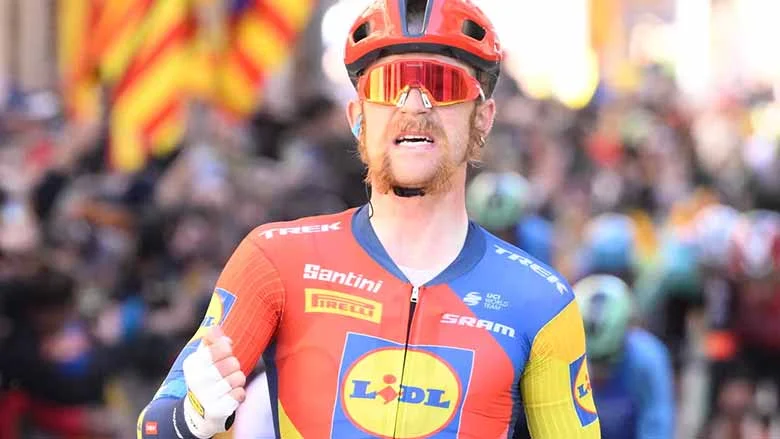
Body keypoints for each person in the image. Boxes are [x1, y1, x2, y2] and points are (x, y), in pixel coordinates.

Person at [137, 1, 600, 438]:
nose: (414, 105)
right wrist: (191, 418)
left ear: (482, 118)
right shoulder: (274, 260)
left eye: (442, 85)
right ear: (357, 116)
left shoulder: (541, 301)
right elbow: (153, 426)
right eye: (388, 84)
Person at [573, 274, 675, 439]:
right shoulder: (562, 361)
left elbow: (657, 423)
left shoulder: (648, 359)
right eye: (592, 360)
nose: (599, 373)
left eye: (607, 360)